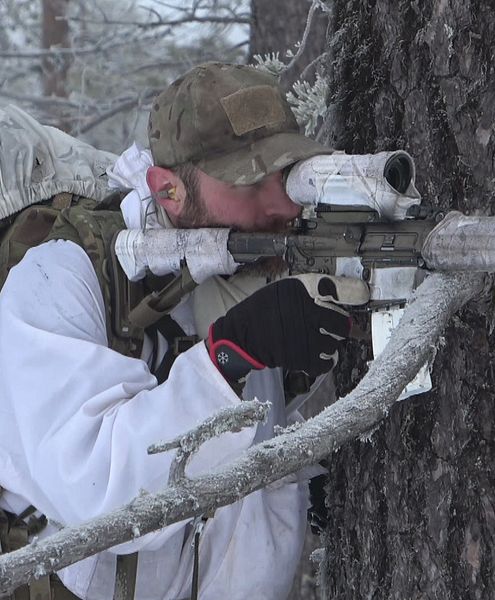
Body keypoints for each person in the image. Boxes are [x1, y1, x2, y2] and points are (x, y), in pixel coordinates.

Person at [0, 62, 368, 599]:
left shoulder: (233, 271)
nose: (281, 205)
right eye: (248, 180)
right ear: (167, 190)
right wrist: (227, 361)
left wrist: (298, 477)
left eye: (287, 175)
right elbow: (95, 487)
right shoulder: (56, 278)